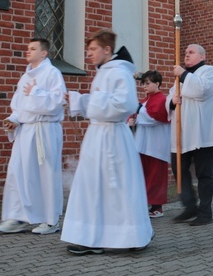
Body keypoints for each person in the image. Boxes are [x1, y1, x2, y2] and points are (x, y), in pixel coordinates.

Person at [62, 29, 152, 255]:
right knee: (91, 187)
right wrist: (78, 99)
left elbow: (127, 104)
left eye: (93, 49)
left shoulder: (119, 72)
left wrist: (91, 102)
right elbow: (101, 102)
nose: (89, 54)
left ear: (107, 50)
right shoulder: (103, 72)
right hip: (98, 137)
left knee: (116, 187)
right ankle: (90, 237)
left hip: (113, 139)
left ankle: (129, 235)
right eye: (88, 49)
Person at [0, 38, 67, 235]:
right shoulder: (25, 77)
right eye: (27, 48)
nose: (28, 51)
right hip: (25, 130)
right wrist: (13, 119)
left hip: (45, 130)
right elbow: (19, 105)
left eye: (33, 48)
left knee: (45, 175)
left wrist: (36, 92)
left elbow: (58, 101)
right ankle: (18, 217)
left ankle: (50, 221)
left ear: (44, 53)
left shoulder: (53, 73)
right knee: (18, 172)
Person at [168, 44, 213, 226]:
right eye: (185, 53)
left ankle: (205, 213)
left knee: (204, 173)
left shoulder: (210, 71)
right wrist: (171, 101)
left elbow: (202, 90)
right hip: (182, 134)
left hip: (202, 134)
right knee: (179, 169)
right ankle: (190, 205)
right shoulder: (181, 78)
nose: (186, 55)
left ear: (202, 56)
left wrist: (183, 75)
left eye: (191, 53)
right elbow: (170, 97)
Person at [128, 70, 171, 218]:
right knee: (144, 175)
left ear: (157, 83)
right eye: (143, 84)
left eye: (147, 83)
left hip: (156, 144)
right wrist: (131, 121)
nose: (144, 87)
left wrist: (139, 111)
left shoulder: (161, 100)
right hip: (143, 142)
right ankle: (145, 204)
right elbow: (139, 114)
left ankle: (157, 207)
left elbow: (156, 118)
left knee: (156, 176)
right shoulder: (144, 101)